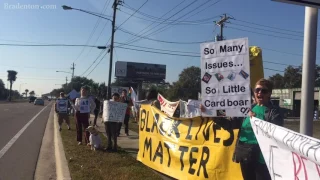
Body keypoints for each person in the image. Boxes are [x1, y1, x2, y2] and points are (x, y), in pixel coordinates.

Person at [234, 78, 283, 180]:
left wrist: (256, 120)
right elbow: (231, 124)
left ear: (269, 94)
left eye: (263, 91)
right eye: (257, 90)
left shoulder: (274, 112)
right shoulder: (247, 109)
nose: (260, 92)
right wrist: (211, 113)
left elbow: (275, 132)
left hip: (262, 159)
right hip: (245, 155)